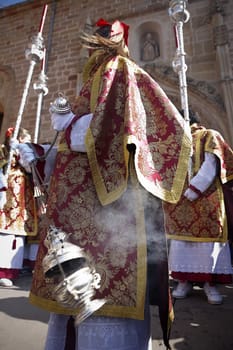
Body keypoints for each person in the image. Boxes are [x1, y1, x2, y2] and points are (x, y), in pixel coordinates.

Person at [18, 18, 192, 350]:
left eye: (93, 41)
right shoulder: (93, 79)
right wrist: (41, 153)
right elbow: (74, 152)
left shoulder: (120, 69)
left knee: (105, 299)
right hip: (78, 216)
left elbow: (116, 129)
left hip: (112, 216)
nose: (87, 48)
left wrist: (70, 128)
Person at [163, 110, 233, 305]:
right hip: (180, 199)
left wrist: (196, 187)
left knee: (208, 242)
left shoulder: (209, 135)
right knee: (181, 242)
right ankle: (183, 281)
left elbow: (212, 163)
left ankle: (209, 284)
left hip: (206, 196)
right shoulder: (175, 139)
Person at [0, 127, 38, 287]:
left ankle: (15, 268)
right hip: (8, 192)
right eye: (25, 139)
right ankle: (4, 270)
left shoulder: (25, 151)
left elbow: (31, 167)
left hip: (24, 195)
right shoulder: (4, 150)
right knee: (6, 232)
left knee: (20, 232)